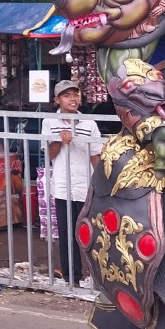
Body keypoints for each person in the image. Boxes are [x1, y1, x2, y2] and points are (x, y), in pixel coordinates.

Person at [41, 79, 101, 284]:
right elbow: (49, 155)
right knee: (67, 234)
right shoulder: (49, 122)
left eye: (75, 94)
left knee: (91, 233)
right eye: (67, 95)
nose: (72, 99)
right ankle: (71, 277)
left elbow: (95, 156)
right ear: (57, 100)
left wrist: (102, 182)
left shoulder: (89, 123)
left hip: (86, 186)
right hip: (63, 187)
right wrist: (59, 138)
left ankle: (97, 277)